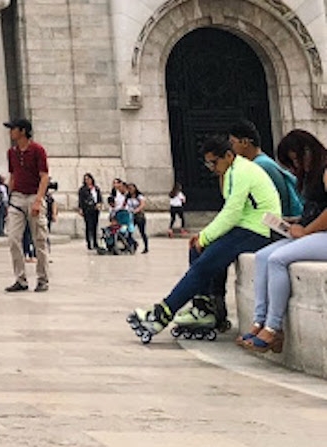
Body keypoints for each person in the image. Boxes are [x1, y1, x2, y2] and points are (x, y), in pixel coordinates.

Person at [129, 135, 282, 340]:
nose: (212, 168)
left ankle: (162, 313)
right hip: (246, 226)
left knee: (204, 264)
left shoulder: (241, 172)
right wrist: (203, 237)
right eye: (209, 163)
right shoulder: (232, 171)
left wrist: (205, 236)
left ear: (228, 155)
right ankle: (204, 308)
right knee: (197, 248)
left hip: (258, 230)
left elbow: (232, 212)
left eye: (214, 162)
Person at [239, 129, 327, 352]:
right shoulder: (310, 176)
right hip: (313, 232)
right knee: (262, 256)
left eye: (296, 160)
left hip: (321, 235)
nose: (296, 167)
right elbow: (315, 210)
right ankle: (259, 321)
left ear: (308, 151)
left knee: (278, 259)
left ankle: (273, 327)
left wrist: (306, 231)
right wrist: (291, 223)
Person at [3, 118, 50, 293]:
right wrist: (9, 197)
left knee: (39, 239)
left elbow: (44, 176)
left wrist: (38, 200)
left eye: (13, 129)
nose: (10, 132)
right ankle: (20, 278)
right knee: (13, 238)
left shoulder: (37, 150)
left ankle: (42, 278)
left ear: (22, 131)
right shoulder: (11, 152)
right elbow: (13, 175)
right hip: (17, 198)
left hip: (33, 196)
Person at [229, 120, 303, 219]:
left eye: (232, 143)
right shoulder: (263, 163)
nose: (231, 148)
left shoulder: (260, 166)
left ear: (245, 142)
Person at [78, 173, 102, 252]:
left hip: (95, 209)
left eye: (88, 179)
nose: (87, 181)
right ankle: (89, 243)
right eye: (85, 179)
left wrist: (99, 204)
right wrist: (80, 208)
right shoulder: (83, 189)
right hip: (87, 209)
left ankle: (95, 242)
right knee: (89, 226)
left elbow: (99, 197)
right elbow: (81, 200)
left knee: (95, 225)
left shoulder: (96, 188)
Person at [126, 184, 148, 254]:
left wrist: (137, 210)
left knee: (142, 232)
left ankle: (146, 247)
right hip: (131, 216)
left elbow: (142, 204)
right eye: (129, 188)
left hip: (139, 216)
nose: (131, 190)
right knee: (129, 232)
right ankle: (133, 244)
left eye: (132, 188)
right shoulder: (127, 197)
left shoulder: (139, 196)